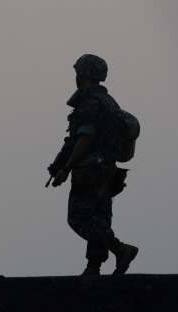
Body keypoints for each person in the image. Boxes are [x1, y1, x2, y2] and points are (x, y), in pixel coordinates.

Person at [51, 54, 138, 276]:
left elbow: (84, 138)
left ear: (81, 74)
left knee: (79, 217)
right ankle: (93, 267)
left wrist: (67, 167)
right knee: (99, 219)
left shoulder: (90, 103)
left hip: (91, 169)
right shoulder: (108, 102)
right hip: (107, 168)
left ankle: (120, 249)